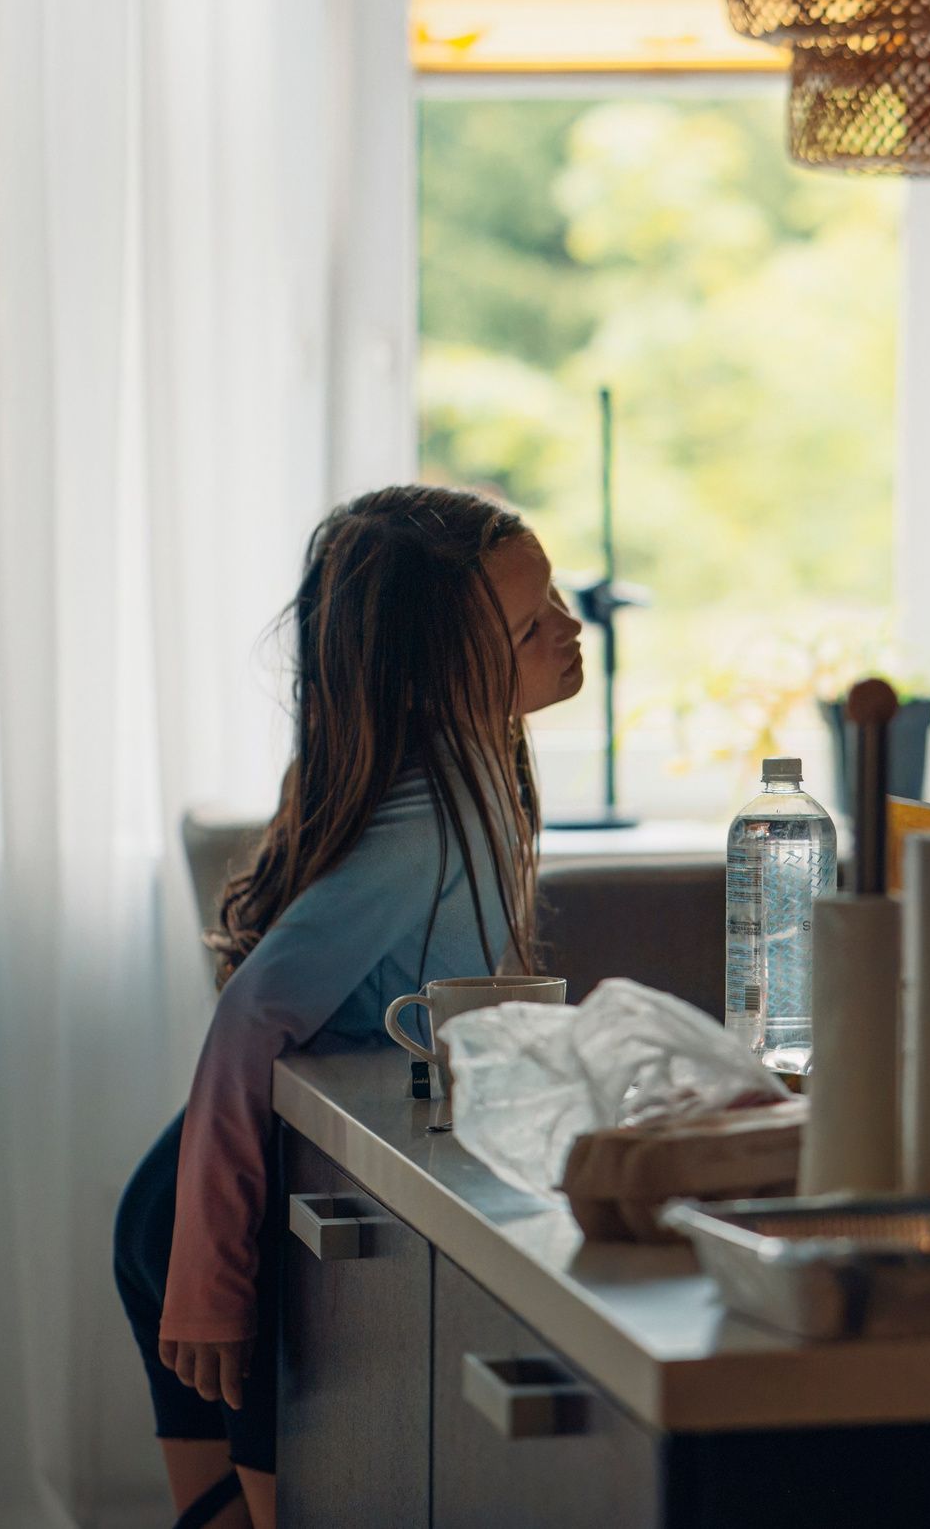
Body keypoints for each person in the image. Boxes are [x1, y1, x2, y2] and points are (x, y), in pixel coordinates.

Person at [113, 486, 584, 1529]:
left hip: (208, 1191)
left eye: (555, 596)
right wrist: (212, 1275)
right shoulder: (433, 816)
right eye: (530, 623)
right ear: (438, 673)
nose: (570, 627)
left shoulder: (465, 770)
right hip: (254, 1220)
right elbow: (251, 1017)